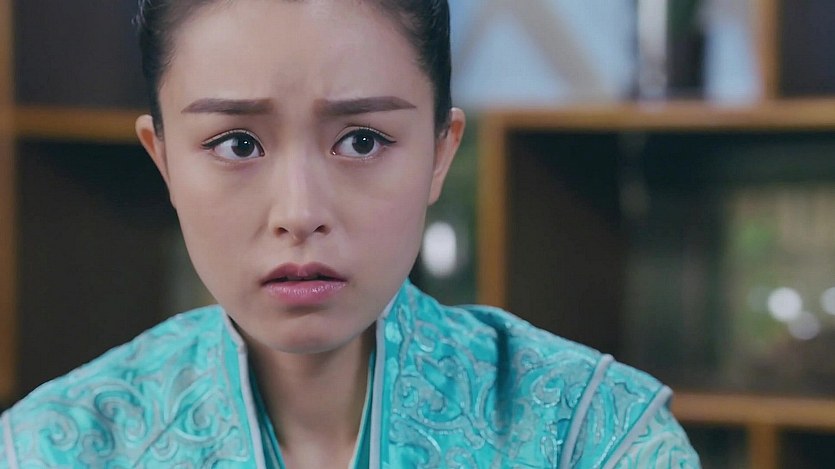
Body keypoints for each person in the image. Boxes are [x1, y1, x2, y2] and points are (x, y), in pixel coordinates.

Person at [0, 1, 700, 467]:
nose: (299, 211)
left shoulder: (595, 437)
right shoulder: (56, 449)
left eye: (362, 140)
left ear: (440, 152)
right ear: (163, 162)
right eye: (237, 144)